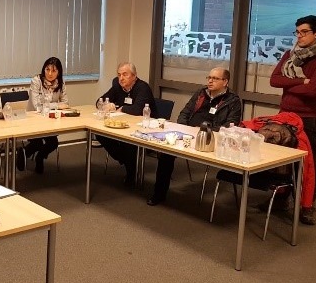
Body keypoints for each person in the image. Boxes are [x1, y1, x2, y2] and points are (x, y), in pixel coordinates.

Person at [269, 15, 316, 225]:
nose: (299, 36)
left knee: (308, 163)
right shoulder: (290, 55)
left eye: (304, 32)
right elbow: (274, 80)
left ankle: (307, 207)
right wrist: (301, 81)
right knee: (281, 160)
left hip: (309, 118)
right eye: (297, 32)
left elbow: (313, 91)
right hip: (286, 115)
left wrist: (289, 84)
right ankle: (280, 199)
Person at [147, 67, 241, 206]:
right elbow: (185, 112)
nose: (210, 81)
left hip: (211, 139)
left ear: (225, 82)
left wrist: (204, 130)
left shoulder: (232, 100)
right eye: (209, 77)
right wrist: (184, 128)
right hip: (188, 133)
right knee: (166, 153)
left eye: (215, 78)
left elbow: (229, 127)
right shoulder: (201, 93)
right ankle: (159, 194)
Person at [96, 62, 156, 186]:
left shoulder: (143, 88)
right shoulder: (117, 87)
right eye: (119, 75)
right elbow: (99, 101)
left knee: (128, 143)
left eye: (125, 74)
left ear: (134, 76)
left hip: (144, 127)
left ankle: (131, 173)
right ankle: (126, 160)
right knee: (100, 134)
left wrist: (121, 108)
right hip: (124, 124)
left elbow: (138, 110)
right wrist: (106, 105)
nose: (121, 78)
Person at [17, 57, 69, 174]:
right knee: (37, 143)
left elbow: (65, 103)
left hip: (50, 119)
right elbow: (37, 106)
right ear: (43, 69)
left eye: (54, 70)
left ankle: (39, 157)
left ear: (59, 72)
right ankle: (23, 153)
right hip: (33, 119)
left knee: (53, 143)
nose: (50, 73)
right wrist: (56, 105)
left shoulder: (61, 83)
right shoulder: (36, 81)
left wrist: (50, 106)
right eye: (47, 69)